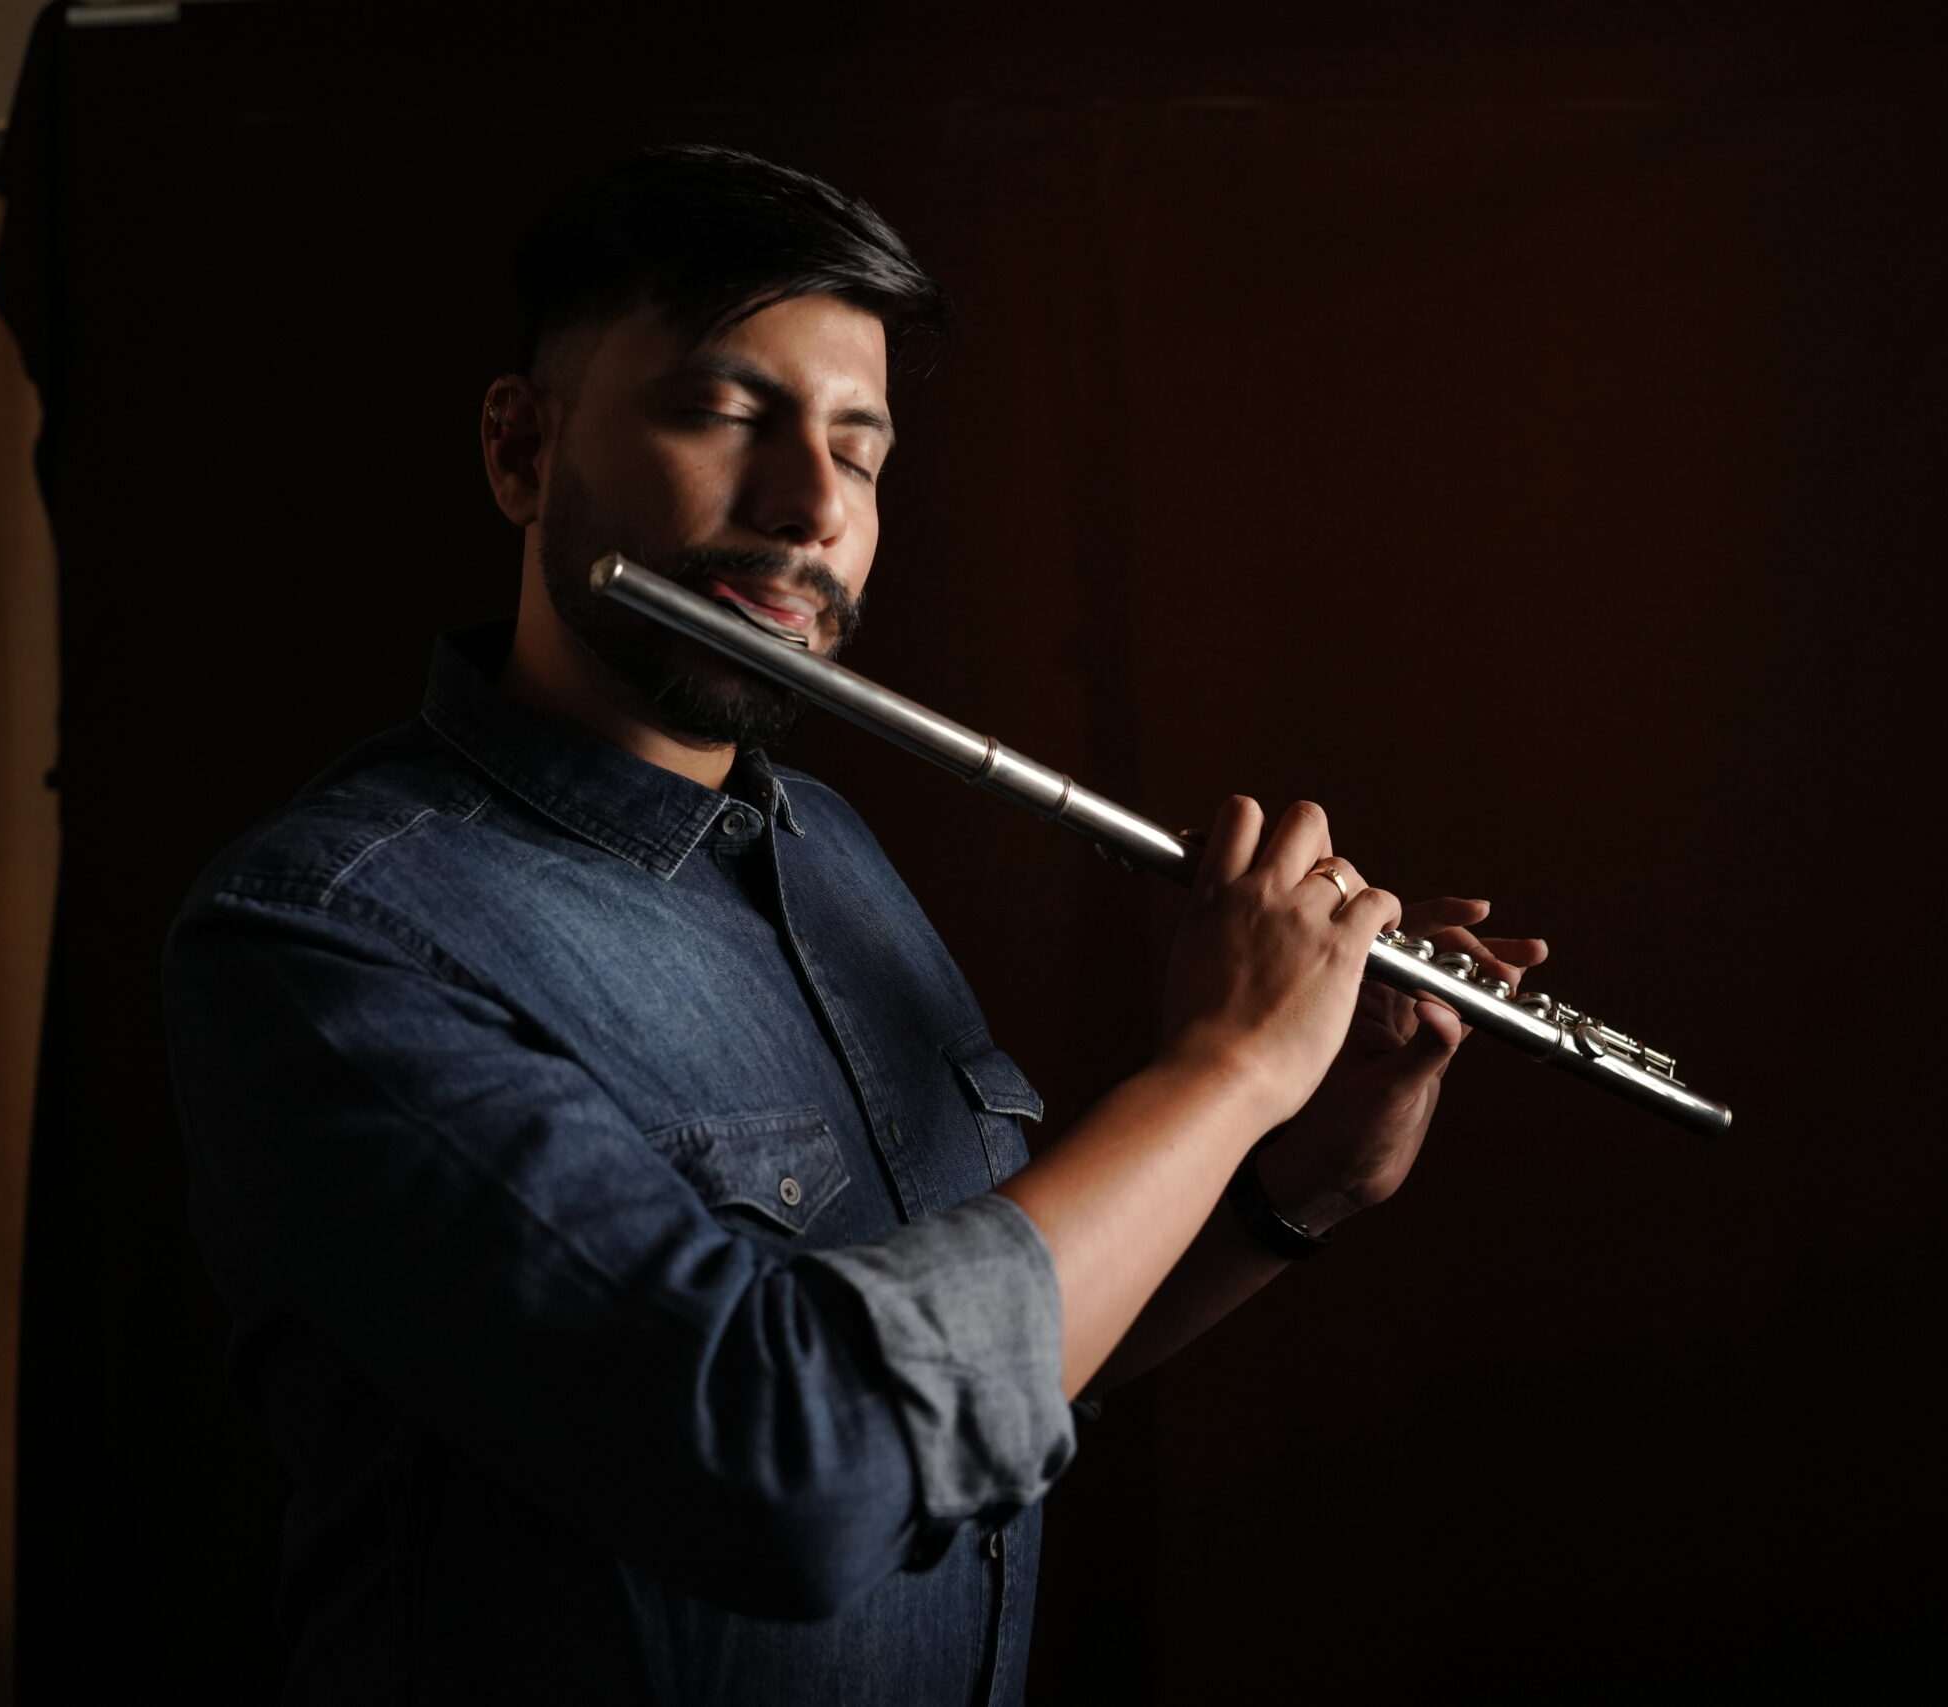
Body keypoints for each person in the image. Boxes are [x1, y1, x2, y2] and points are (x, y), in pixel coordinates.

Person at [161, 143, 1543, 1706]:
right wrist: (1222, 1072)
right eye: (725, 412)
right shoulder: (331, 943)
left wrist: (1289, 1179)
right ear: (522, 452)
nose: (811, 504)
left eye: (861, 451)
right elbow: (795, 1467)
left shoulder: (827, 850)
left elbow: (978, 1384)